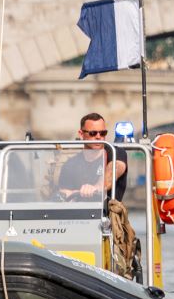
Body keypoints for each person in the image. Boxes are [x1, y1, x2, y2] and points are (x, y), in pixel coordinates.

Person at [51, 113, 138, 278]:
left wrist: (96, 187)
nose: (99, 137)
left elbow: (114, 170)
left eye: (102, 133)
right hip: (75, 222)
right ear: (81, 133)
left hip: (107, 222)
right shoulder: (71, 164)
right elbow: (63, 193)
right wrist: (73, 194)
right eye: (93, 133)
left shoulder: (115, 152)